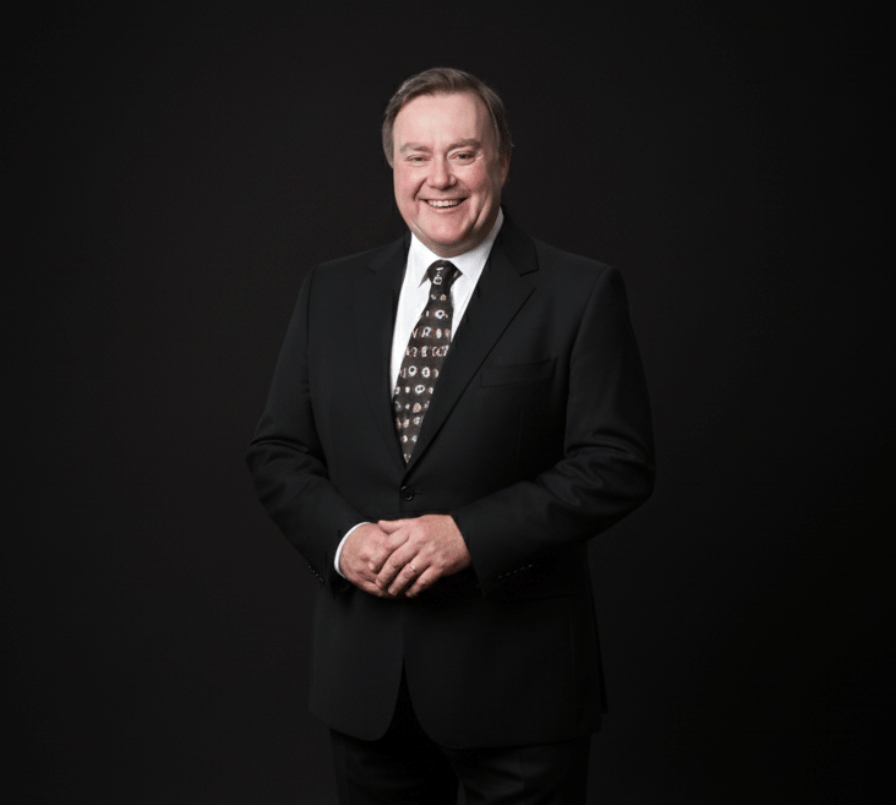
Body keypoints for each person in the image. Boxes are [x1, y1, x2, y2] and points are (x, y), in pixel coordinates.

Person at [246, 67, 655, 805]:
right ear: (393, 166)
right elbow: (278, 451)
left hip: (520, 691)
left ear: (499, 161)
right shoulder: (329, 291)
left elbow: (618, 462)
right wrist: (344, 541)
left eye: (463, 153)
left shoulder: (579, 292)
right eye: (417, 155)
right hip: (368, 691)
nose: (440, 177)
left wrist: (466, 534)